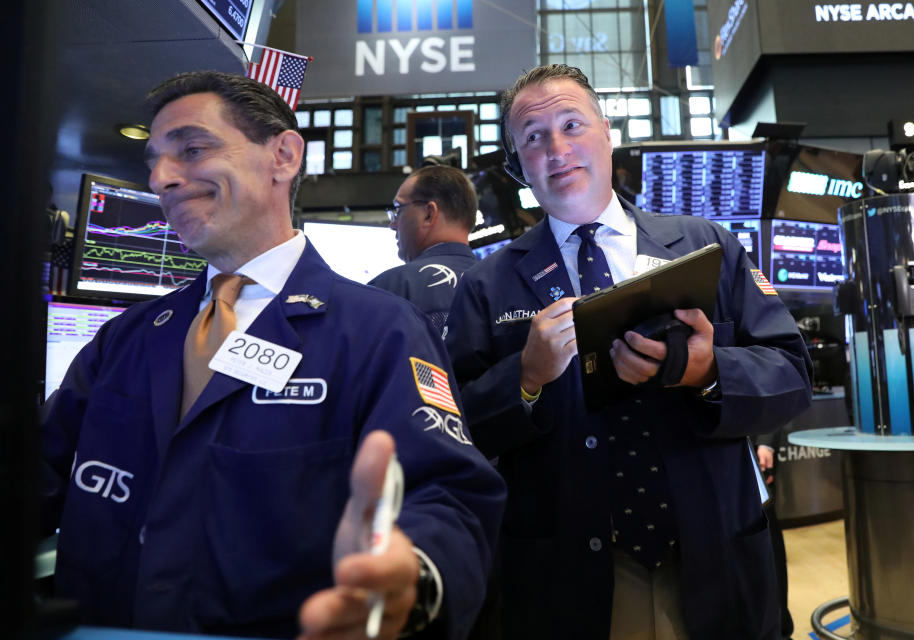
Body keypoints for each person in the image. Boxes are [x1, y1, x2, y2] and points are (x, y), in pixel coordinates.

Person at [38, 70, 505, 640]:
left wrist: (412, 578)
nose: (162, 178)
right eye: (153, 161)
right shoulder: (128, 337)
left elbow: (448, 496)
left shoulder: (378, 331)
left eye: (191, 148)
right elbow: (36, 473)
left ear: (283, 155)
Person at [443, 64, 813, 639]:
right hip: (570, 577)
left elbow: (791, 374)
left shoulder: (706, 246)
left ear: (607, 132)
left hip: (712, 552)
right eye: (534, 137)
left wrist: (709, 371)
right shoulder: (488, 285)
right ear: (519, 164)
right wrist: (525, 378)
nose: (557, 149)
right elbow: (458, 425)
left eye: (572, 123)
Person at [368, 165, 479, 331]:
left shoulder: (390, 289)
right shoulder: (500, 284)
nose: (393, 224)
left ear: (429, 214)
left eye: (398, 210)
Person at [755, 433, 795, 640]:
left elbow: (764, 402)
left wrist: (766, 444)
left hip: (750, 456)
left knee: (767, 541)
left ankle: (780, 629)